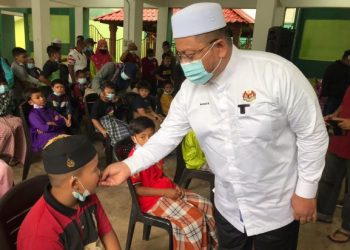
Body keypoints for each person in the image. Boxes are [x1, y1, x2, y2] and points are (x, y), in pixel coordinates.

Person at [100, 3, 329, 250]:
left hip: (276, 205)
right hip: (228, 205)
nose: (185, 64)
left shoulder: (276, 74)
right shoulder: (189, 91)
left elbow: (312, 135)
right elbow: (167, 136)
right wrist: (128, 165)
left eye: (191, 55)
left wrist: (306, 190)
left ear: (219, 47)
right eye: (181, 55)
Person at [17, 134, 121, 250]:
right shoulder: (40, 237)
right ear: (75, 184)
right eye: (95, 169)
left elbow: (106, 232)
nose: (99, 173)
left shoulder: (84, 194)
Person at [128, 117, 218, 249]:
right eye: (142, 137)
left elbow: (160, 175)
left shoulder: (154, 152)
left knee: (206, 205)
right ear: (133, 138)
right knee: (194, 219)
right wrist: (166, 192)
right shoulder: (134, 160)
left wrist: (177, 187)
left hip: (166, 190)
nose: (148, 140)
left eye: (151, 136)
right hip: (151, 201)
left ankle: (210, 245)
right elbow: (137, 190)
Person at [317, 86, 350, 243]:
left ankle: (347, 228)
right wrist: (334, 115)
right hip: (339, 141)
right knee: (328, 179)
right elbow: (345, 104)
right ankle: (323, 213)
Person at [27, 87, 68, 152]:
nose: (42, 98)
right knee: (61, 142)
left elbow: (62, 121)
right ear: (31, 102)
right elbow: (44, 128)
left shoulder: (48, 108)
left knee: (65, 140)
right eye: (38, 97)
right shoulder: (33, 115)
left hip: (53, 131)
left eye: (42, 96)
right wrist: (55, 123)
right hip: (42, 136)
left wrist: (53, 123)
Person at [0, 81, 27, 166]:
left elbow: (7, 108)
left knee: (19, 123)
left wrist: (6, 95)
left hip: (5, 115)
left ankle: (17, 156)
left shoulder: (5, 91)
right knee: (7, 131)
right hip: (2, 115)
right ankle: (5, 156)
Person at [321, 49, 350, 115]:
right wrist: (325, 95)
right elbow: (326, 82)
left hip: (344, 99)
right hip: (333, 98)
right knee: (329, 116)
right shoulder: (333, 67)